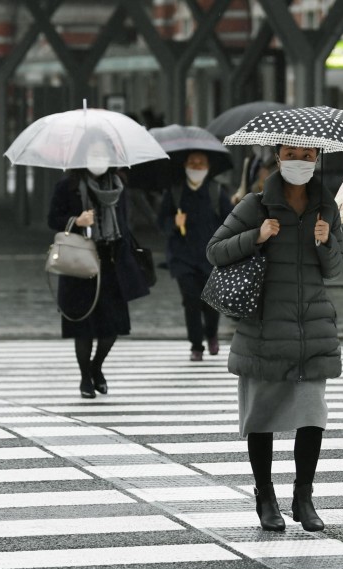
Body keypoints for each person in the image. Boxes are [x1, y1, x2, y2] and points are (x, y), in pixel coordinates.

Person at [206, 144, 343, 533]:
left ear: (317, 159)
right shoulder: (257, 204)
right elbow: (214, 250)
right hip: (265, 327)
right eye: (291, 154)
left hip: (311, 327)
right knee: (262, 417)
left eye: (307, 155)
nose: (299, 162)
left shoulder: (326, 207)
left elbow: (336, 268)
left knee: (312, 416)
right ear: (278, 158)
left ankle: (303, 498)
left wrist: (326, 242)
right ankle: (265, 497)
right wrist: (256, 235)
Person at [48, 145, 149, 399]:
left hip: (112, 263)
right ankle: (85, 378)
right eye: (92, 154)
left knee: (112, 328)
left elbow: (125, 223)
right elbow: (52, 218)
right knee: (82, 326)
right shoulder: (68, 185)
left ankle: (96, 368)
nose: (98, 160)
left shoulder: (118, 185)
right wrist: (76, 221)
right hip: (80, 264)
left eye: (103, 154)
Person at [157, 151, 233, 360]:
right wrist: (174, 223)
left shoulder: (217, 191)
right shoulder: (175, 192)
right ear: (185, 166)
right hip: (183, 257)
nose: (196, 166)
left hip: (211, 256)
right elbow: (161, 222)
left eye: (201, 163)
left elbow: (232, 220)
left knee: (210, 301)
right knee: (190, 300)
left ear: (208, 166)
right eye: (192, 163)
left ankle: (212, 334)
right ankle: (196, 345)